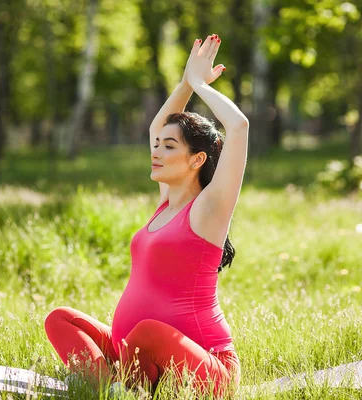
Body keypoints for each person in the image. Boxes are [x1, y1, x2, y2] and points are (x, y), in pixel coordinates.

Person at [44, 33, 248, 397]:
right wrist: (185, 81)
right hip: (135, 356)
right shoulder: (166, 202)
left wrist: (200, 85)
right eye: (157, 146)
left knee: (147, 332)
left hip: (204, 367)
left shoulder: (209, 208)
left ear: (196, 160)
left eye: (169, 147)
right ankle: (111, 390)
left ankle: (118, 388)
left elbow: (239, 126)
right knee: (60, 319)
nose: (156, 151)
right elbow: (158, 125)